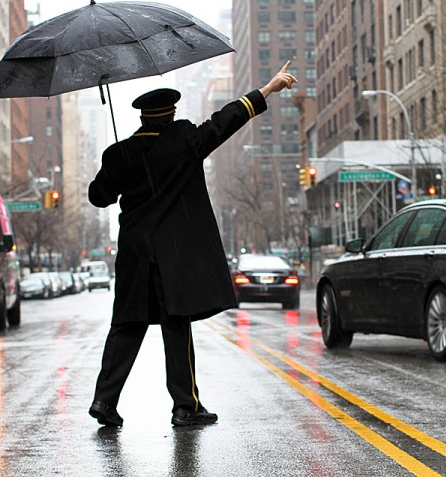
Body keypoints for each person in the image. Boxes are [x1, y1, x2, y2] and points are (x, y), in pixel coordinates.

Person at [88, 62, 298, 427]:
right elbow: (225, 122)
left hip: (135, 256)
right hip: (172, 253)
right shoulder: (183, 139)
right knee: (175, 324)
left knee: (127, 325)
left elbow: (98, 197)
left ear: (142, 117)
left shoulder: (118, 153)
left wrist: (117, 164)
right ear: (170, 115)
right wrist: (266, 89)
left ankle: (105, 402)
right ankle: (185, 407)